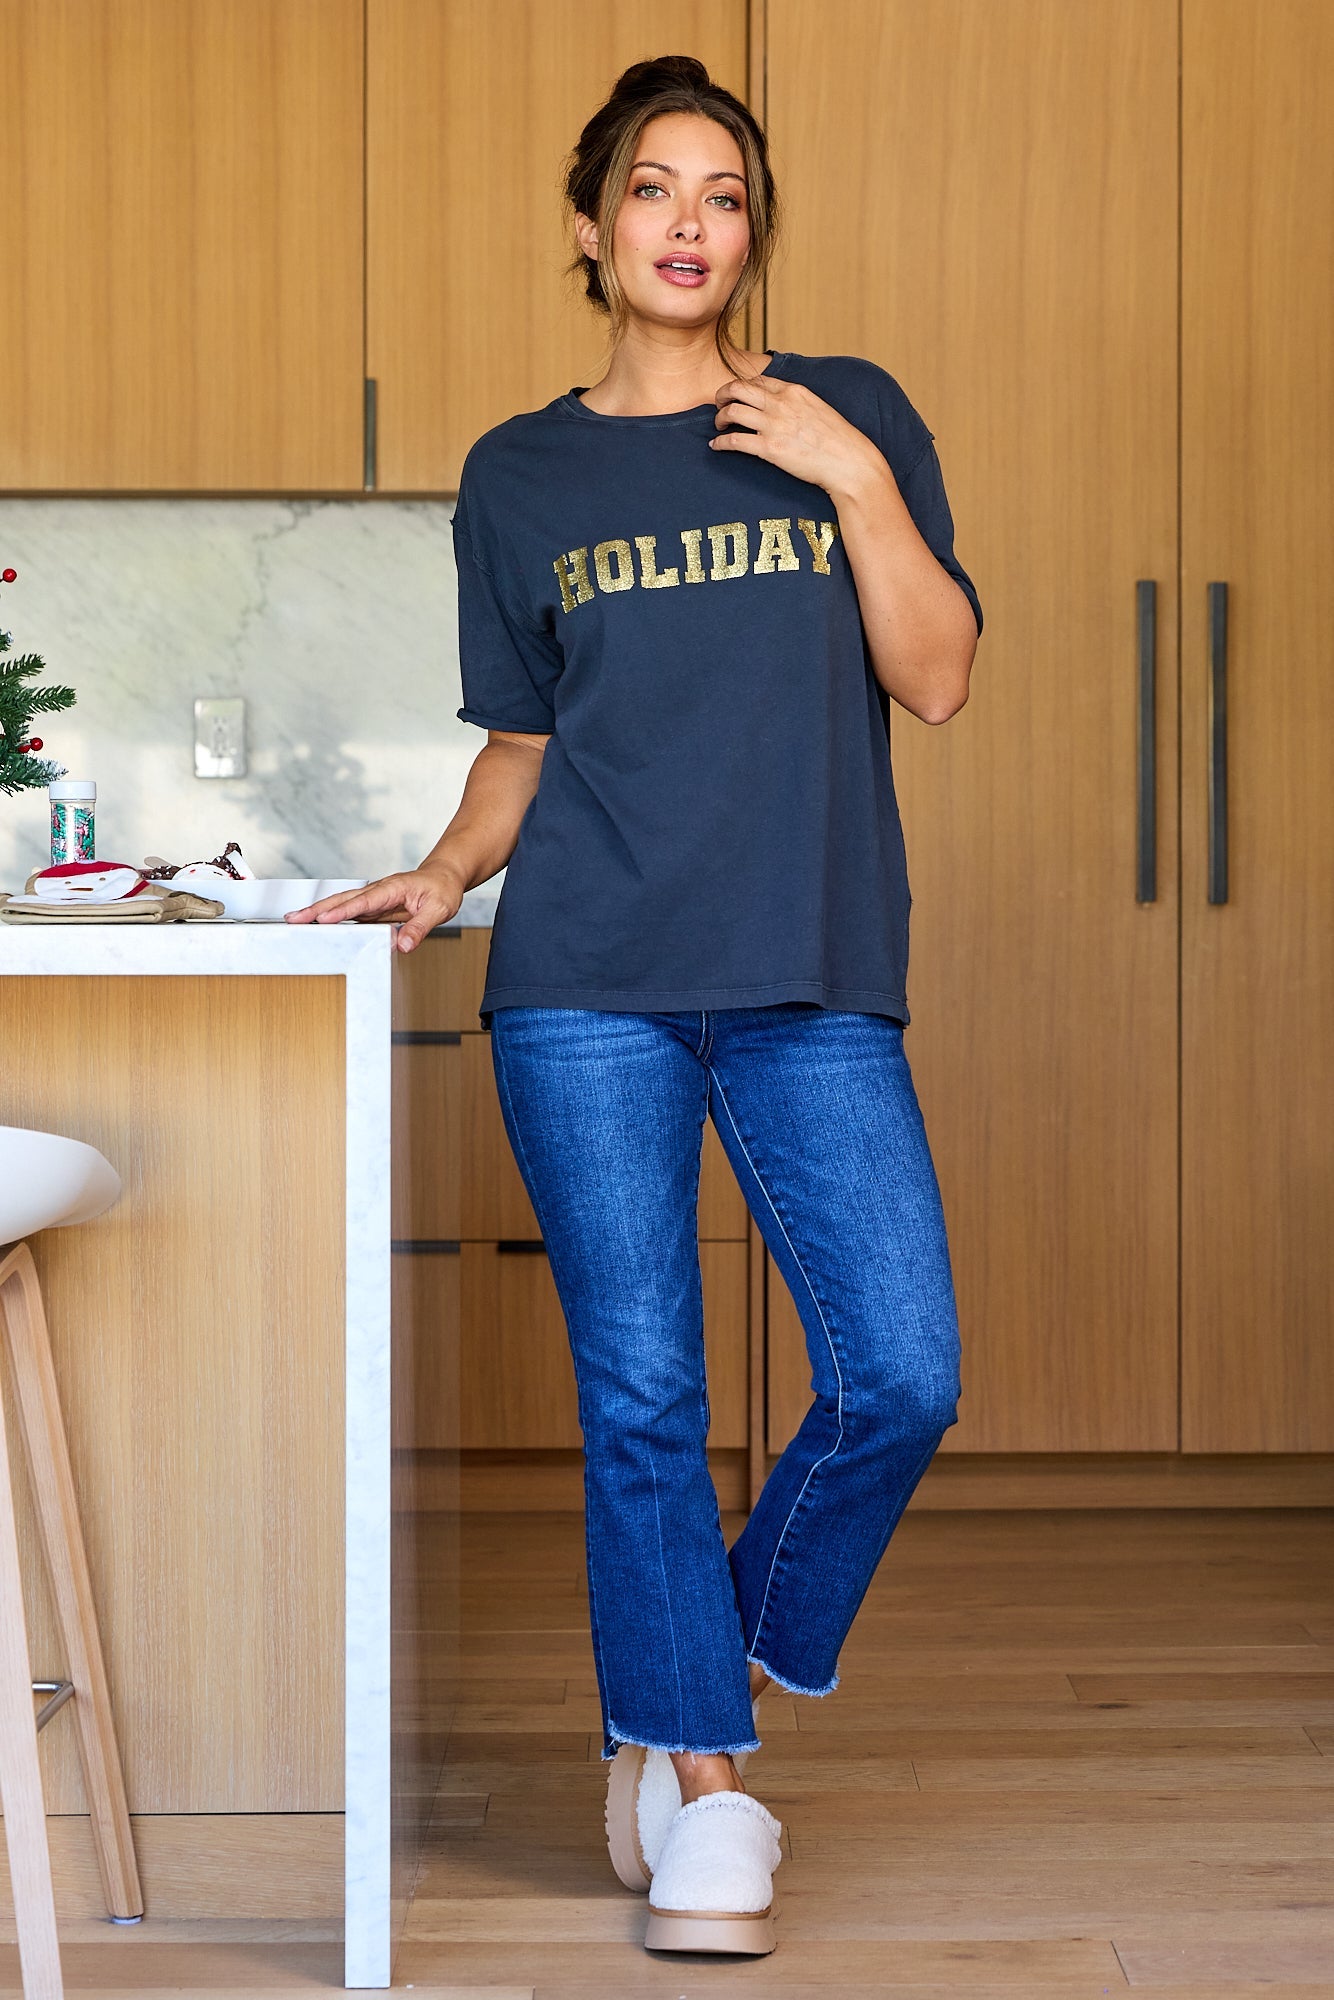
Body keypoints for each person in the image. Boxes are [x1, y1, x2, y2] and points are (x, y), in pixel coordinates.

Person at [289, 53, 982, 1959]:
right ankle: (704, 1789)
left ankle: (683, 1683)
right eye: (654, 189)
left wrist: (849, 476)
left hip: (808, 972)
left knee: (900, 1373)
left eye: (724, 194)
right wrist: (445, 870)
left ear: (753, 234)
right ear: (591, 227)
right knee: (645, 1397)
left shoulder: (847, 415)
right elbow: (525, 741)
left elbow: (935, 675)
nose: (690, 222)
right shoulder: (520, 476)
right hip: (584, 983)